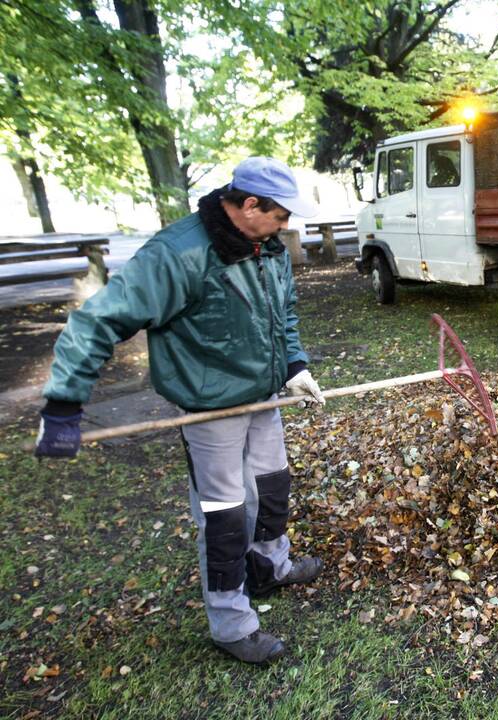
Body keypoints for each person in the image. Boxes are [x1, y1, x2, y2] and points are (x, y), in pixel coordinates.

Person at [35, 157, 328, 664]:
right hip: (210, 405)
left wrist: (294, 365)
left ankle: (269, 566)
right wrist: (64, 405)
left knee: (272, 486)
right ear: (250, 204)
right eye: (281, 215)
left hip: (265, 395)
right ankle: (231, 622)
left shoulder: (268, 246)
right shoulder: (178, 254)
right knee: (225, 514)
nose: (287, 226)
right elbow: (96, 322)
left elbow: (284, 313)